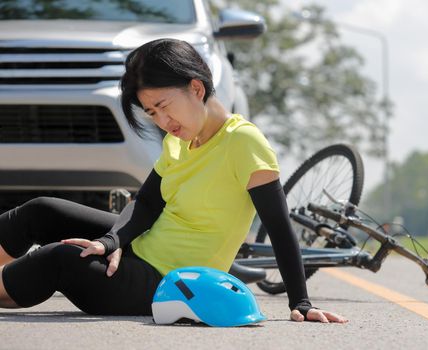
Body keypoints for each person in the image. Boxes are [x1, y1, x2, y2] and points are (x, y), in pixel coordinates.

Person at [0, 38, 347, 324]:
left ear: (196, 88)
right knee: (41, 211)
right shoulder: (178, 141)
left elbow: (279, 224)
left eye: (163, 106)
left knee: (61, 257)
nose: (162, 121)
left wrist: (300, 301)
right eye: (151, 113)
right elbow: (147, 203)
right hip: (141, 247)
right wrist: (112, 242)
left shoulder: (243, 143)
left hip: (165, 281)